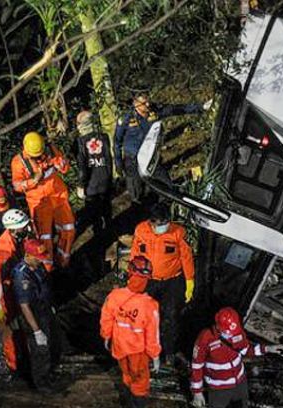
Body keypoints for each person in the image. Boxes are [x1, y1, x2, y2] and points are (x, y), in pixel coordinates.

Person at [114, 93, 212, 203]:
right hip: (132, 159)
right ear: (135, 103)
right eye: (143, 103)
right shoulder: (126, 117)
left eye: (148, 101)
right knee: (136, 194)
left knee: (167, 185)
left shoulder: (154, 112)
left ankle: (167, 204)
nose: (148, 104)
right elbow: (117, 141)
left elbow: (175, 109)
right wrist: (118, 164)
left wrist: (201, 107)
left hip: (150, 157)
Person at [130, 201, 194, 364]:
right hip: (149, 281)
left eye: (166, 223)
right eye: (160, 224)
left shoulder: (178, 232)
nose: (164, 227)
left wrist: (189, 281)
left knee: (171, 316)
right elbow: (135, 255)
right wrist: (134, 279)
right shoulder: (141, 231)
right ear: (151, 222)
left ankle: (170, 350)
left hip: (172, 281)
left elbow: (186, 257)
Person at [190, 307, 283, 408]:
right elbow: (196, 366)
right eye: (228, 333)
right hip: (218, 389)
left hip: (240, 383)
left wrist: (267, 349)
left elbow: (246, 349)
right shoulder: (205, 338)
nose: (232, 335)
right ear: (218, 327)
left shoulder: (237, 331)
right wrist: (197, 392)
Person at [100, 256, 161, 408]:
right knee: (140, 384)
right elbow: (152, 334)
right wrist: (155, 355)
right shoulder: (149, 305)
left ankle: (128, 403)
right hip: (138, 353)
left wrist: (106, 336)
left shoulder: (115, 296)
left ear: (130, 273)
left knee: (126, 376)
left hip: (120, 347)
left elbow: (106, 318)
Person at [11, 131, 75, 270]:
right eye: (35, 156)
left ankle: (63, 261)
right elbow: (17, 185)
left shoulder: (51, 150)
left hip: (58, 197)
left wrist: (61, 164)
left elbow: (65, 168)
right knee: (44, 238)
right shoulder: (19, 162)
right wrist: (34, 180)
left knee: (68, 229)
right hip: (38, 202)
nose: (39, 157)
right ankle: (47, 269)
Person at [0, 208, 32, 376]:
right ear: (13, 229)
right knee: (9, 334)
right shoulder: (4, 253)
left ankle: (20, 360)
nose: (26, 229)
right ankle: (14, 367)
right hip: (2, 302)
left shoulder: (15, 243)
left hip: (12, 296)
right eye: (23, 227)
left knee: (18, 332)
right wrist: (2, 309)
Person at [12, 238, 57, 390]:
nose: (41, 261)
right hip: (32, 315)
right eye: (38, 259)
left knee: (49, 344)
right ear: (29, 256)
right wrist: (36, 330)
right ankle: (41, 382)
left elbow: (44, 287)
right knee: (40, 348)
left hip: (43, 310)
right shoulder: (21, 276)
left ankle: (47, 374)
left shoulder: (37, 267)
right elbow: (24, 306)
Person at [74, 110, 114, 237]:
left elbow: (82, 168)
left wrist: (81, 185)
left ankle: (100, 239)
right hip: (105, 179)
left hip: (91, 184)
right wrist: (111, 178)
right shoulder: (104, 137)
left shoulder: (80, 142)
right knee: (107, 210)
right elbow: (109, 159)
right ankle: (110, 232)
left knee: (94, 213)